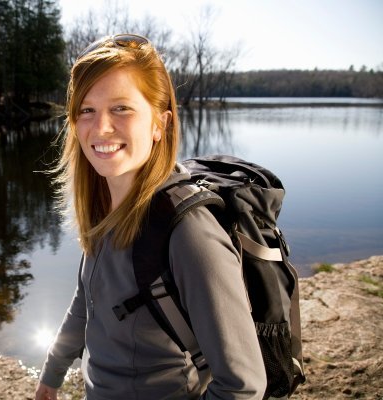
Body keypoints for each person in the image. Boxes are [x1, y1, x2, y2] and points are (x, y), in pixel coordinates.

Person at [35, 34, 267, 400]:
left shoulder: (188, 232)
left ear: (160, 123)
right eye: (87, 109)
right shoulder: (103, 207)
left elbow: (243, 386)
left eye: (121, 108)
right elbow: (87, 299)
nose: (100, 128)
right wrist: (53, 372)